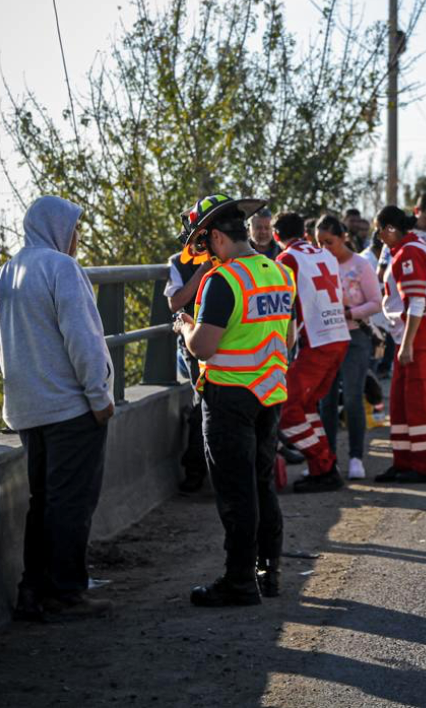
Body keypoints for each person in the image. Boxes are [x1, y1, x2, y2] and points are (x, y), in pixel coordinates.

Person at [0, 195, 115, 621]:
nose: (77, 238)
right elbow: (84, 340)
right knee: (71, 503)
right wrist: (100, 397)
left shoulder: (5, 272)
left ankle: (32, 590)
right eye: (75, 229)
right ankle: (67, 593)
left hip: (26, 410)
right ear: (59, 229)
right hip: (70, 409)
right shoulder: (63, 269)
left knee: (43, 501)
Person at [173, 194, 293, 607]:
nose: (204, 253)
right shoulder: (277, 272)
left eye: (203, 245)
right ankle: (269, 572)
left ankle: (239, 581)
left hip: (229, 397)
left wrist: (185, 328)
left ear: (217, 239)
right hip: (269, 394)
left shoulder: (224, 281)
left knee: (236, 491)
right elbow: (288, 337)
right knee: (261, 484)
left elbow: (204, 348)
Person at [274, 212, 351, 493]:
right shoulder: (324, 254)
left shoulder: (286, 260)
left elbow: (285, 308)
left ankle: (325, 466)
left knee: (286, 409)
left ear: (275, 236)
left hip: (317, 342)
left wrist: (282, 349)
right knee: (306, 408)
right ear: (305, 234)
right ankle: (323, 467)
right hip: (338, 336)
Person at [374, 205, 426, 483]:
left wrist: (407, 344)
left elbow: (417, 301)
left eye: (380, 229)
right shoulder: (408, 247)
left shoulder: (409, 251)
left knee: (419, 401)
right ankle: (404, 461)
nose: (378, 236)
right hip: (412, 333)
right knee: (402, 401)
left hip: (419, 334)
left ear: (390, 228)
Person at [315, 215, 383, 479]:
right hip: (326, 337)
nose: (324, 249)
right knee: (327, 399)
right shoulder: (318, 264)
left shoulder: (361, 265)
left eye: (329, 242)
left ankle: (356, 457)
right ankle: (328, 457)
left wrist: (350, 313)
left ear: (343, 237)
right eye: (319, 242)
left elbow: (376, 302)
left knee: (353, 396)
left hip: (355, 337)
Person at [165, 216, 214, 494]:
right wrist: (203, 270)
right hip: (194, 340)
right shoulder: (178, 263)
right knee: (202, 402)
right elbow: (175, 301)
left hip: (229, 339)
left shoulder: (229, 255)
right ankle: (195, 470)